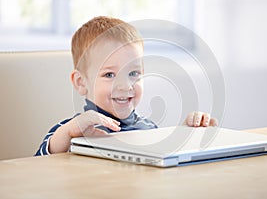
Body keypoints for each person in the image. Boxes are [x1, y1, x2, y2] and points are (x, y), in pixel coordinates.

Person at [35, 16, 217, 156]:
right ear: (81, 83)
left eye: (133, 74)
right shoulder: (72, 130)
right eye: (109, 75)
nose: (124, 86)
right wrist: (67, 133)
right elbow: (40, 163)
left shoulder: (149, 128)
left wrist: (188, 135)